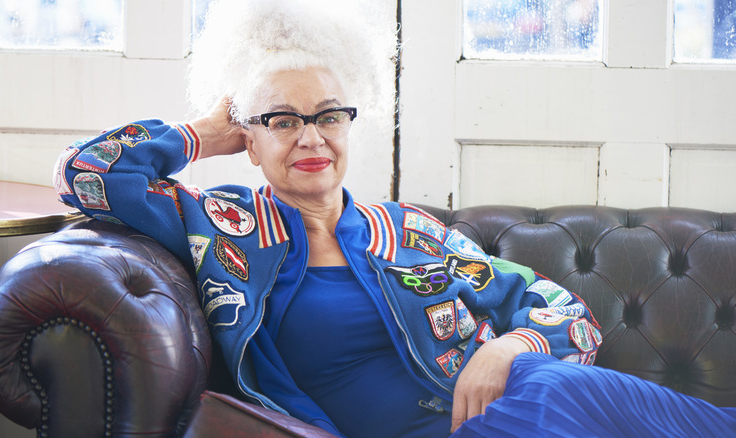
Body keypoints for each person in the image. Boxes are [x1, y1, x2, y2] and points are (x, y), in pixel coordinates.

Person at [53, 0, 736, 436]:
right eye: (282, 120)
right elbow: (87, 174)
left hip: (520, 409)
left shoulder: (410, 233)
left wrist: (506, 349)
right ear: (250, 140)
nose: (311, 137)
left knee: (554, 389)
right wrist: (202, 132)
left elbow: (562, 310)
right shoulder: (220, 228)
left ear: (351, 124)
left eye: (327, 115)